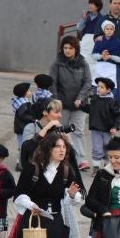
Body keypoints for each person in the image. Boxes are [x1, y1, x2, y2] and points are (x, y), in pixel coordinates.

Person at [49, 36, 91, 170]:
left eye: (70, 48)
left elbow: (87, 82)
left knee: (78, 131)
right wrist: (56, 101)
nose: (67, 50)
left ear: (76, 49)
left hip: (80, 104)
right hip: (63, 104)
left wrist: (80, 98)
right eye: (65, 48)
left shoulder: (83, 63)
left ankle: (81, 160)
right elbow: (52, 83)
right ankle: (61, 157)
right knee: (61, 131)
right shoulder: (57, 63)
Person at [80, 77, 120, 171]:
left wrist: (115, 127)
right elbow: (90, 109)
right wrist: (81, 105)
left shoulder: (112, 101)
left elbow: (117, 116)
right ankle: (96, 167)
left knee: (108, 148)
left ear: (108, 90)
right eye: (98, 86)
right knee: (97, 148)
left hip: (107, 129)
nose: (98, 88)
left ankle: (108, 167)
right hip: (95, 128)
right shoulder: (95, 98)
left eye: (102, 87)